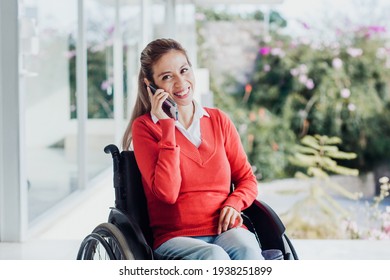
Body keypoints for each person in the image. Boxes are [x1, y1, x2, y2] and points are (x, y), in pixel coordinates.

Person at [122, 38, 263, 260]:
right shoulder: (145, 128)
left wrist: (234, 203)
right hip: (175, 237)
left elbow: (247, 179)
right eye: (167, 77)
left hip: (225, 230)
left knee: (247, 249)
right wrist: (167, 126)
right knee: (214, 257)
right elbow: (167, 194)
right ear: (150, 85)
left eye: (184, 70)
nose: (180, 83)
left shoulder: (218, 120)